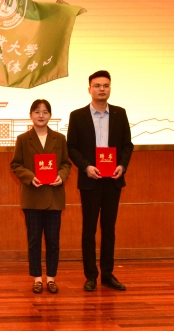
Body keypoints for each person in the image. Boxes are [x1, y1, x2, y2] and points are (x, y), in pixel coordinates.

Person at [67, 71, 134, 292]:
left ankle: (107, 274)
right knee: (89, 229)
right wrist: (86, 167)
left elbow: (127, 145)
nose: (101, 89)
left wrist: (122, 165)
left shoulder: (119, 113)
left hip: (113, 179)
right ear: (89, 89)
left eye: (105, 85)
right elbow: (71, 147)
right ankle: (90, 276)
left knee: (109, 229)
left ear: (110, 89)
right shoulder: (77, 116)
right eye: (97, 86)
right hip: (91, 180)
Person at [10, 99, 71, 294]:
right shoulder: (23, 139)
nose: (41, 115)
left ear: (50, 115)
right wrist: (30, 177)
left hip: (54, 197)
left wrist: (61, 176)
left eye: (45, 112)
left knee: (53, 241)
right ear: (31, 115)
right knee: (34, 240)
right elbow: (16, 164)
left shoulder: (59, 138)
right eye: (37, 111)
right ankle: (37, 278)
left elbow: (66, 163)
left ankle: (51, 278)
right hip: (32, 197)